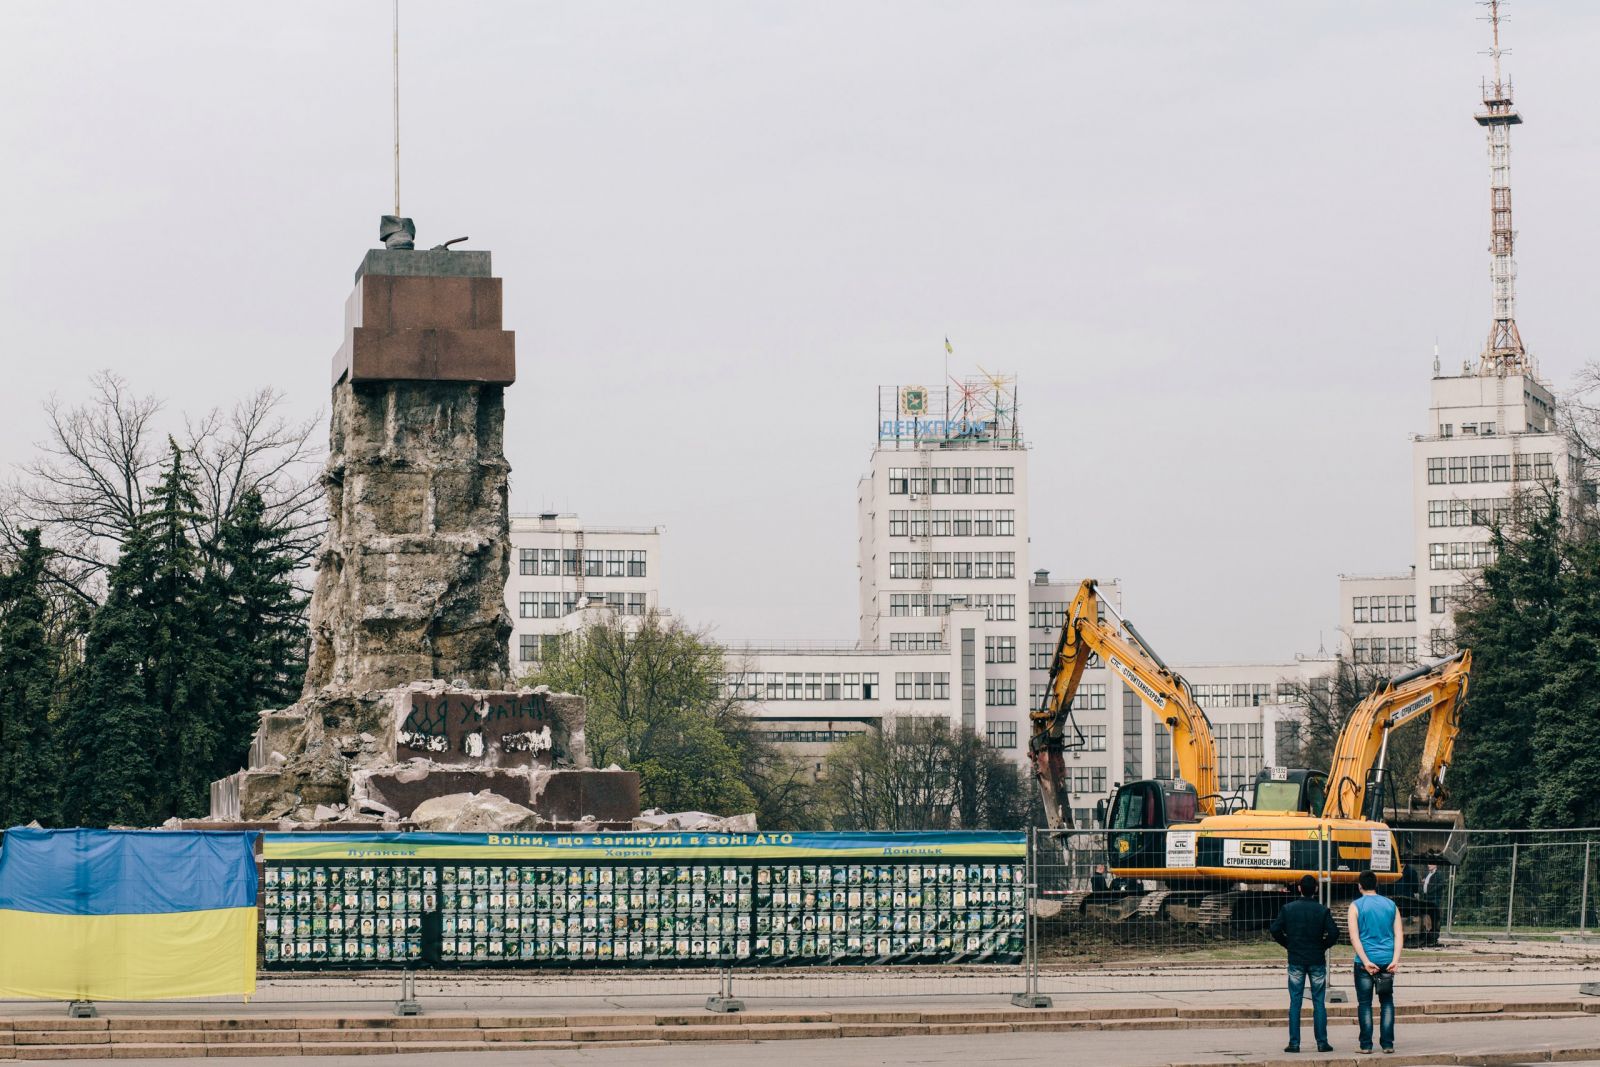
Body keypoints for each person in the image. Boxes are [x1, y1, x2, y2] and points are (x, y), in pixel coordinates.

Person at [1270, 875, 1339, 1053]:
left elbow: (1275, 929)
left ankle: (1294, 1043)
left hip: (1296, 959)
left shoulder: (1288, 909)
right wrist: (1322, 946)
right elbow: (1334, 933)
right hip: (1316, 959)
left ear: (1299, 888)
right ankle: (1322, 1042)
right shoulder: (1322, 910)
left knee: (1295, 1001)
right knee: (1318, 1002)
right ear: (1315, 889)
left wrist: (1288, 944)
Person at [1349, 869, 1404, 1054]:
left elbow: (1354, 938)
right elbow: (1398, 934)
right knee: (1387, 1002)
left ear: (1360, 886)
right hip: (1387, 961)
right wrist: (1395, 960)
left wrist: (1365, 961)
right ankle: (1387, 1044)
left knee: (1365, 1004)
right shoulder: (1391, 905)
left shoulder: (1355, 906)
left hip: (1365, 962)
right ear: (1376, 885)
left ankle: (1366, 1045)